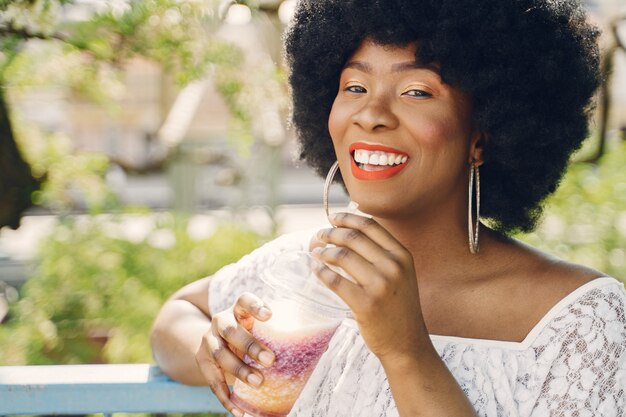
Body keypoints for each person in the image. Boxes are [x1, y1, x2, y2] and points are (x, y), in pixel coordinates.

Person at [150, 0, 626, 415]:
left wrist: (405, 351)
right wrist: (212, 347)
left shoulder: (581, 321)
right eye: (354, 87)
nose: (372, 114)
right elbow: (176, 315)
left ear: (483, 134)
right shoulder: (304, 266)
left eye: (416, 91)